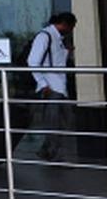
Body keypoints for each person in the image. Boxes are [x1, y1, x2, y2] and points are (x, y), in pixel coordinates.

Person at [27, 12, 77, 162]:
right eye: (71, 27)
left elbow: (57, 61)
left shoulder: (58, 39)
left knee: (61, 121)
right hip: (51, 87)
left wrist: (67, 52)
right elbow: (33, 61)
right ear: (65, 24)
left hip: (59, 86)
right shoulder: (45, 36)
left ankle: (48, 151)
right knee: (55, 122)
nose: (71, 30)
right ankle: (54, 154)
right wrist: (43, 84)